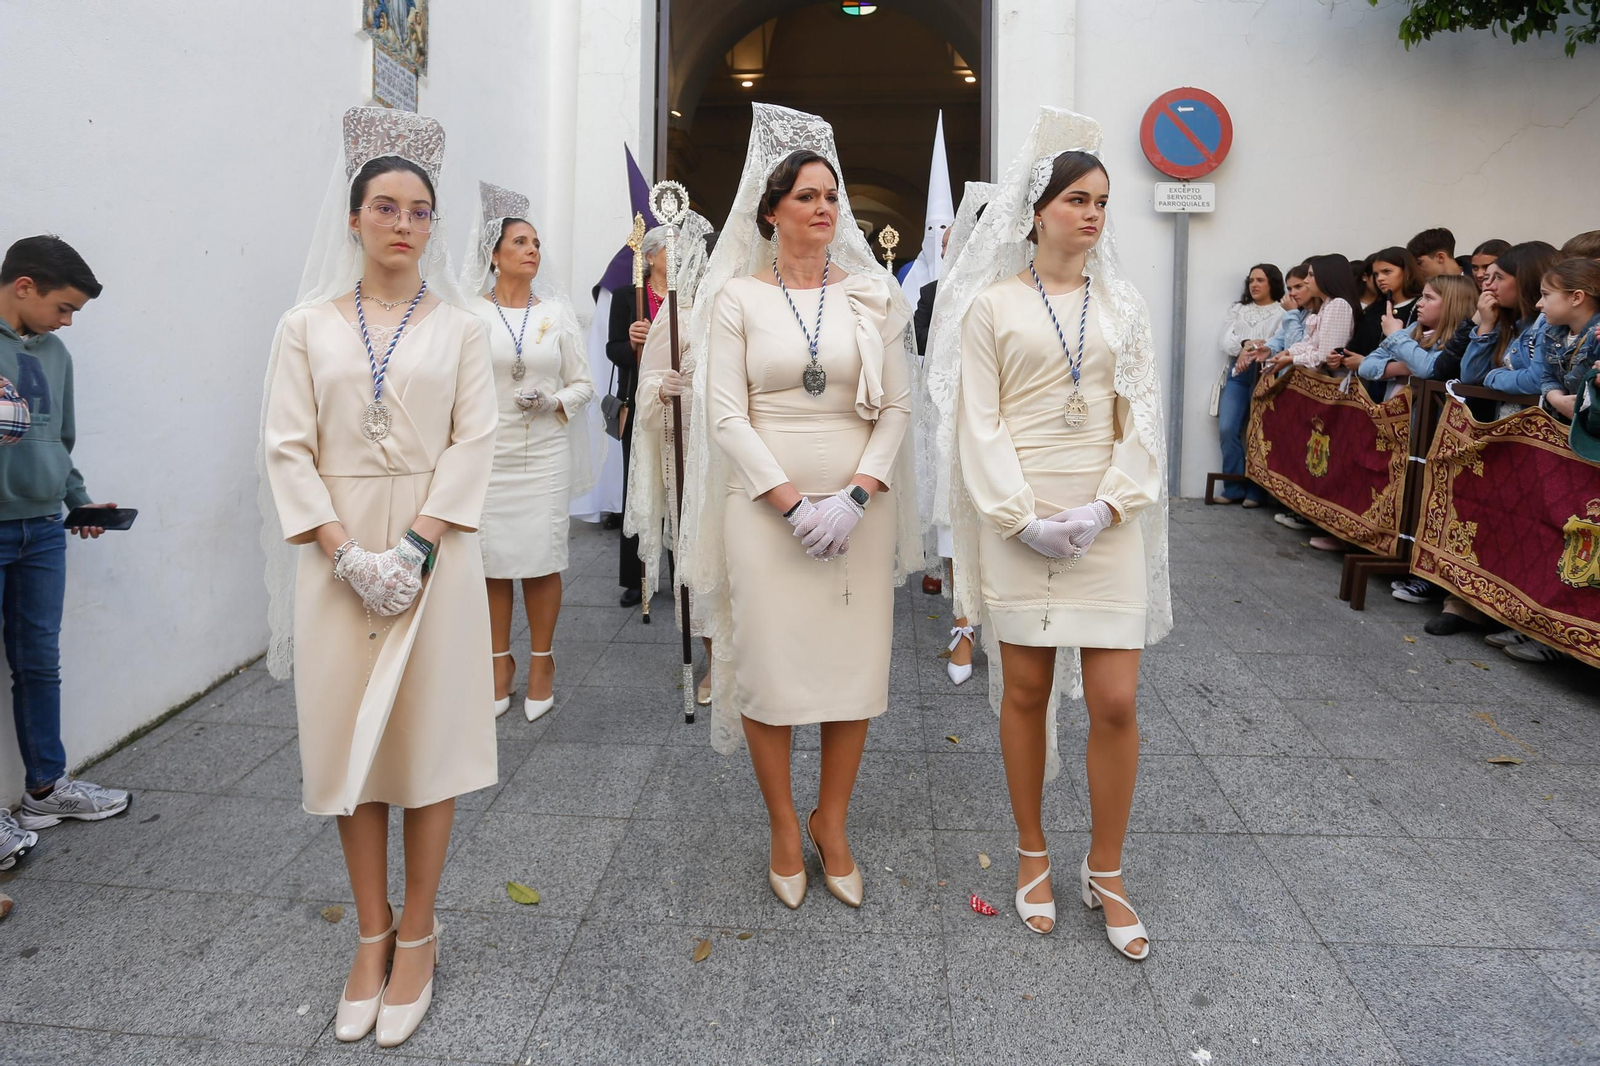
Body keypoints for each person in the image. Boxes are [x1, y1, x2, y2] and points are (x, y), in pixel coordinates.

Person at [259, 107, 496, 1049]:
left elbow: (473, 441)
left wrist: (414, 549)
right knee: (347, 742)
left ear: (434, 226)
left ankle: (421, 930)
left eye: (420, 210)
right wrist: (347, 552)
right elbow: (287, 447)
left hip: (436, 551)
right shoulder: (304, 327)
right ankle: (371, 931)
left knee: (427, 741)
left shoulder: (463, 329)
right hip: (337, 557)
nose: (403, 223)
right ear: (354, 217)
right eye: (386, 207)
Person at [929, 106, 1171, 958]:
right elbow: (978, 421)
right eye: (1077, 198)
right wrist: (1022, 519)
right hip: (1021, 517)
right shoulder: (991, 305)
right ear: (1036, 211)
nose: (1093, 213)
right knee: (1025, 691)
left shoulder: (1126, 306)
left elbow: (1142, 417)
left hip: (1106, 517)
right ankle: (1032, 850)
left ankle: (1106, 868)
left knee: (1116, 700)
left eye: (1102, 200)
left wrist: (1106, 507)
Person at [678, 103, 924, 912]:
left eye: (831, 196)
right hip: (763, 512)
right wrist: (791, 505)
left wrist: (854, 498)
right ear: (771, 212)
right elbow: (725, 415)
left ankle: (833, 820)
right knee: (771, 667)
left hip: (860, 511)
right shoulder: (736, 300)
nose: (824, 208)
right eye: (807, 196)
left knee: (853, 669)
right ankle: (785, 826)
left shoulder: (873, 294)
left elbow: (897, 408)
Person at [0, 236, 129, 862]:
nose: (68, 321)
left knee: (39, 662)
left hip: (44, 530)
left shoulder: (55, 354)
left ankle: (46, 790)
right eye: (64, 307)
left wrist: (78, 501)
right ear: (24, 286)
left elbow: (58, 439)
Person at [461, 182, 596, 722]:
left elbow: (583, 385)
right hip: (489, 456)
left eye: (536, 243)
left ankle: (543, 661)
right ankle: (499, 663)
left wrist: (552, 401)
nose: (532, 250)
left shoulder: (557, 314)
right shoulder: (469, 313)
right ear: (494, 254)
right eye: (520, 242)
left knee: (541, 559)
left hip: (544, 454)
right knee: (492, 563)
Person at [625, 212, 717, 706]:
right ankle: (715, 661)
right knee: (701, 558)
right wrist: (665, 388)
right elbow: (648, 385)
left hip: (749, 456)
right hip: (693, 455)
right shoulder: (679, 312)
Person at [917, 182, 998, 684]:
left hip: (1010, 429)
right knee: (956, 533)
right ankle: (963, 628)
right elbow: (929, 359)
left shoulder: (1021, 290)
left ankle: (1005, 626)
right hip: (955, 426)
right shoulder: (939, 294)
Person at [607, 230, 670, 607]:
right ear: (649, 256)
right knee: (638, 486)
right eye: (670, 248)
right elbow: (613, 349)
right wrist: (631, 342)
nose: (677, 255)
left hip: (678, 400)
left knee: (678, 488)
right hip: (638, 401)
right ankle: (637, 578)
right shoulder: (627, 296)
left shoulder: (687, 294)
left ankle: (682, 573)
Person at [1214, 263, 1285, 506]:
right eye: (1251, 280)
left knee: (1260, 431)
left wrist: (1254, 347)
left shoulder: (1282, 311)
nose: (1254, 285)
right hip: (1238, 373)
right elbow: (1225, 341)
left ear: (1272, 283)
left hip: (1267, 373)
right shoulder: (1239, 309)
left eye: (1260, 280)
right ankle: (1233, 487)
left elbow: (1278, 341)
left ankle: (1256, 491)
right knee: (1227, 428)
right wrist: (1246, 343)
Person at [1461, 241, 1561, 395]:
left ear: (1525, 280)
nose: (1490, 286)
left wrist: (1491, 377)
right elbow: (1470, 376)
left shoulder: (1547, 322)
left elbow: (1537, 380)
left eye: (1499, 277)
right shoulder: (1508, 320)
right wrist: (1486, 325)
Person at [1535, 258, 1600, 422]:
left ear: (1576, 298)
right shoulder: (1551, 333)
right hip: (1565, 426)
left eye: (1545, 295)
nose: (1538, 304)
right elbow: (1548, 377)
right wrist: (1557, 399)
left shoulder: (1597, 335)